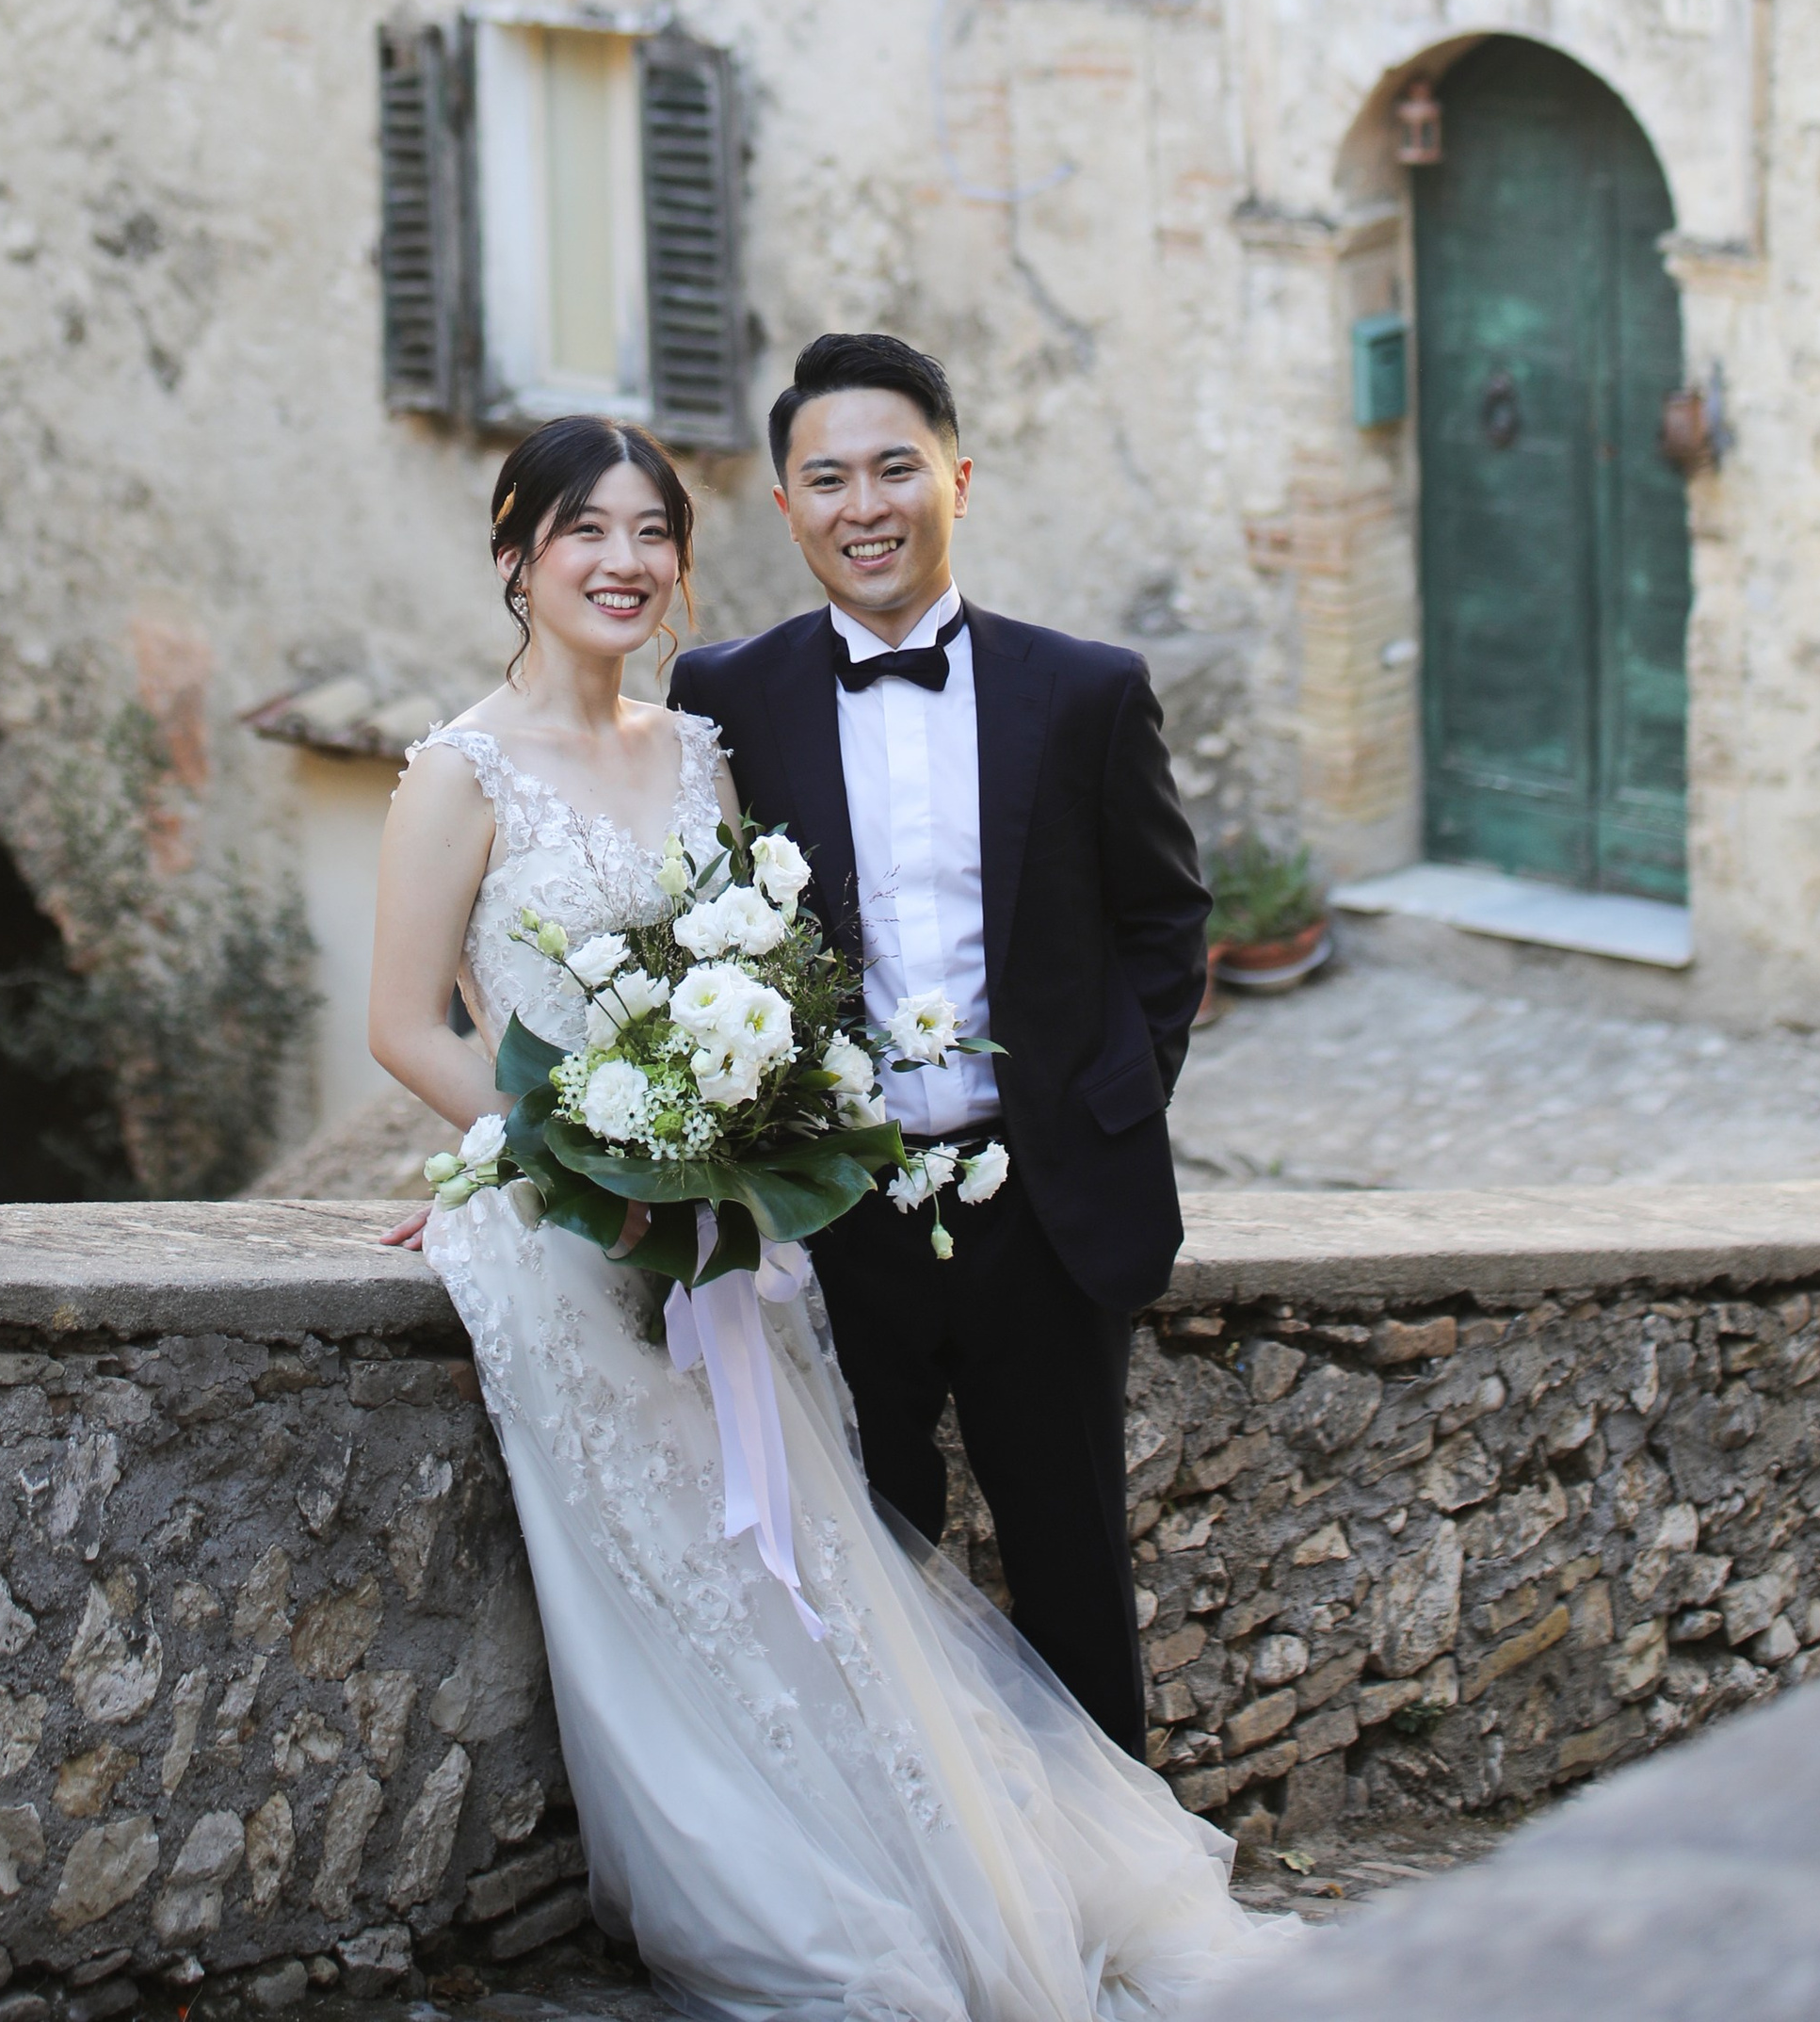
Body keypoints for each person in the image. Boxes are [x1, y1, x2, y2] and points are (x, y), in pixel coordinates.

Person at [369, 409, 1284, 2022]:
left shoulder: (701, 745)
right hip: (591, 1250)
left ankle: (980, 1864)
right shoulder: (458, 772)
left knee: (831, 1572)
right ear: (515, 555)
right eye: (586, 531)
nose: (625, 561)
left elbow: (773, 985)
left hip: (747, 1231)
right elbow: (408, 1025)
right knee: (689, 1574)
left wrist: (738, 1149)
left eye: (652, 531)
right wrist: (536, 1159)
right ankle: (801, 1889)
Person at [668, 331, 1210, 1759]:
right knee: (861, 1570)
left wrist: (1111, 1101)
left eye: (895, 468)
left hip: (1041, 1207)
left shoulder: (1086, 691)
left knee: (1074, 1566)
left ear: (956, 479)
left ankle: (1111, 1906)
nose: (865, 505)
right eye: (827, 477)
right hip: (832, 1216)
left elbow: (1166, 922)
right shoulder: (722, 696)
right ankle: (938, 1897)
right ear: (783, 507)